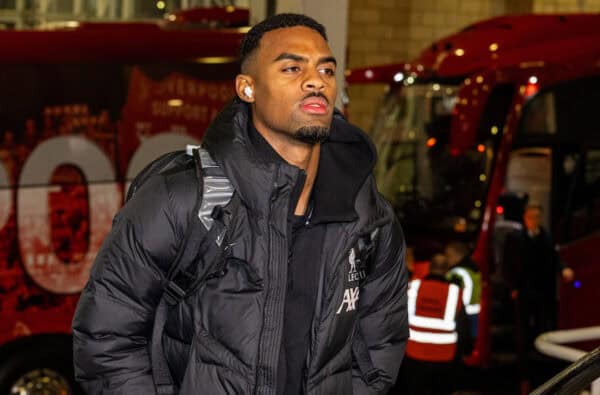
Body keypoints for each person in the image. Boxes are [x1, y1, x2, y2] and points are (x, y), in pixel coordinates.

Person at [72, 13, 408, 395]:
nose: (316, 81)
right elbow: (106, 339)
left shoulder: (368, 216)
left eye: (326, 70)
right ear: (247, 88)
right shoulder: (182, 198)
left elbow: (381, 343)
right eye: (292, 67)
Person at [394, 253, 468, 395]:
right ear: (447, 270)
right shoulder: (455, 292)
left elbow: (397, 320)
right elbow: (463, 328)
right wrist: (462, 353)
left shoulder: (413, 287)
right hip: (444, 357)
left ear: (430, 268)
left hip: (414, 355)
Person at [445, 241, 481, 340]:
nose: (447, 259)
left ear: (458, 255)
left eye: (449, 255)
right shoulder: (474, 269)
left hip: (461, 316)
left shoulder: (456, 273)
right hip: (475, 315)